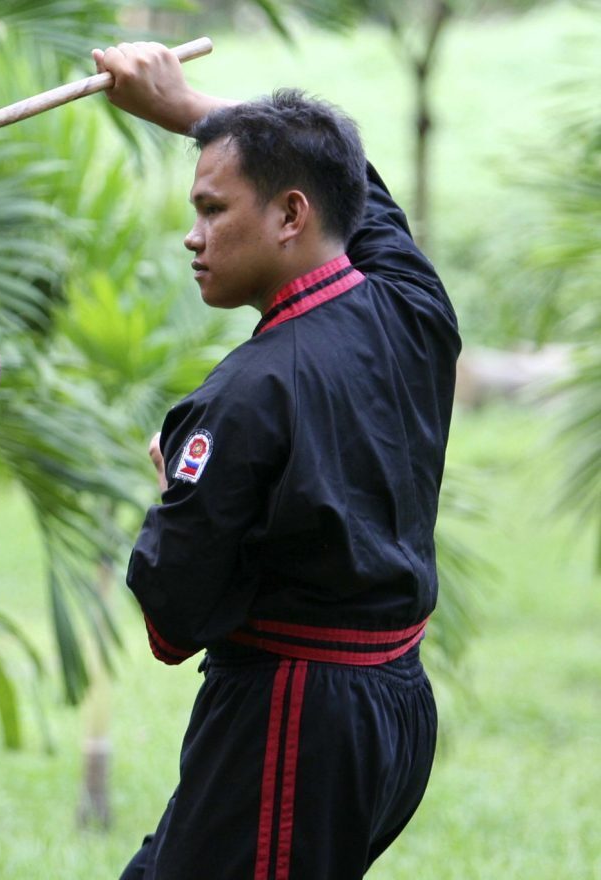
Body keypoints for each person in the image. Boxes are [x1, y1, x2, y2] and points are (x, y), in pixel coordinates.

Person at [91, 43, 460, 879]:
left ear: (291, 215)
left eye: (214, 210)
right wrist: (187, 107)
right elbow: (355, 184)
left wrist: (172, 492)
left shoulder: (242, 398)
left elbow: (172, 625)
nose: (192, 237)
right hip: (393, 708)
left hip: (294, 718)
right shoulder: (414, 306)